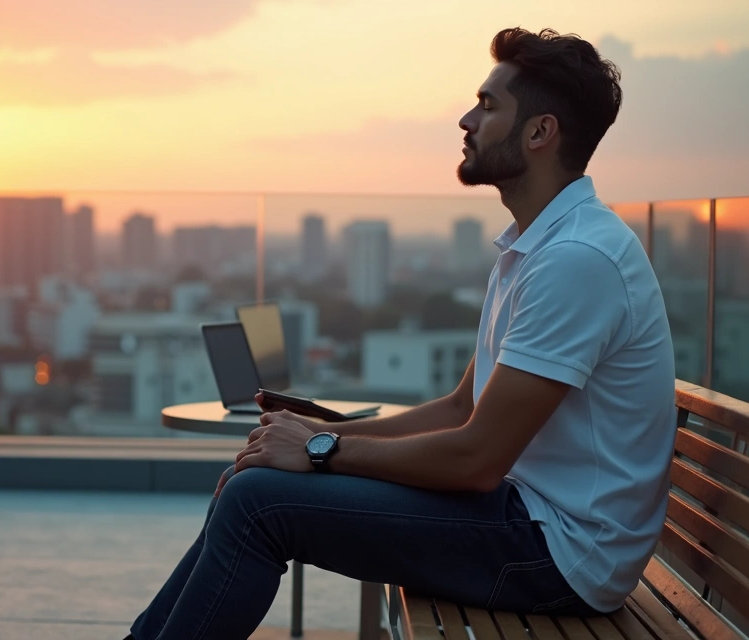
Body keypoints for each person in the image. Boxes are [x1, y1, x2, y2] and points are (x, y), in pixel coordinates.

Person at [126, 27, 676, 640]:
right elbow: (462, 409)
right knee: (252, 481)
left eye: (488, 105)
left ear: (539, 132)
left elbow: (477, 459)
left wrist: (320, 452)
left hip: (559, 555)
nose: (467, 120)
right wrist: (317, 436)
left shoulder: (577, 259)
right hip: (527, 519)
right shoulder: (537, 248)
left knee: (260, 505)